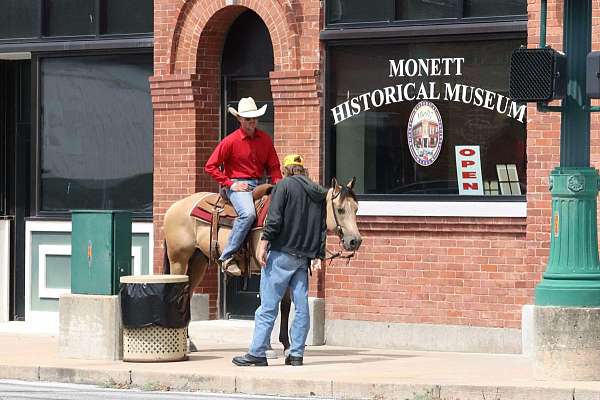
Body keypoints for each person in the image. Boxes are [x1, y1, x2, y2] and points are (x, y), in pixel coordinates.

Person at [232, 154, 327, 367]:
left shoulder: (283, 186)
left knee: (267, 306)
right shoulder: (318, 192)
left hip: (281, 256)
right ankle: (296, 354)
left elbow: (274, 219)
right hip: (303, 260)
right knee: (301, 307)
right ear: (303, 170)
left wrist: (263, 243)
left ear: (285, 170)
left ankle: (257, 353)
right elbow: (322, 227)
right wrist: (319, 254)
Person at [204, 97, 282, 276]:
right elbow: (210, 166)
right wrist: (231, 183)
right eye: (247, 119)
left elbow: (274, 167)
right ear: (239, 119)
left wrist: (278, 185)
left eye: (254, 118)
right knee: (248, 214)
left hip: (260, 184)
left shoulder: (265, 139)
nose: (251, 121)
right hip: (237, 186)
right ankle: (227, 256)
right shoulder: (230, 141)